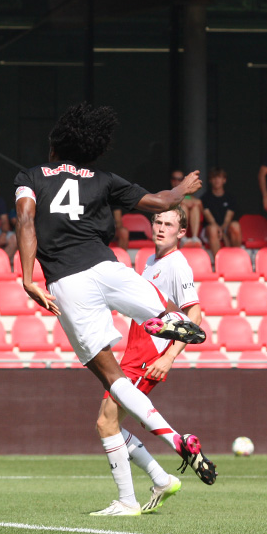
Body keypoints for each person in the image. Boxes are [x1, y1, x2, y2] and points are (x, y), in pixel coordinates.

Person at [13, 102, 216, 489]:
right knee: (168, 311)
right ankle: (162, 318)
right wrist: (182, 190)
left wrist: (27, 277)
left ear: (55, 146)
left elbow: (25, 219)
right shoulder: (103, 179)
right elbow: (160, 203)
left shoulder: (31, 176)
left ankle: (174, 438)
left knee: (113, 379)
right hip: (108, 269)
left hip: (67, 283)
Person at [91, 207, 204, 516]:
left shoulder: (177, 265)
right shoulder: (151, 260)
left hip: (149, 356)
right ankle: (160, 479)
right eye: (158, 221)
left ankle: (128, 500)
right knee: (106, 423)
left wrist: (169, 356)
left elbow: (195, 315)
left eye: (169, 224)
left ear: (181, 232)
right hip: (134, 351)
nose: (161, 228)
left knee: (106, 422)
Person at [200, 167, 242, 254]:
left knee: (235, 225)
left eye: (219, 177)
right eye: (214, 177)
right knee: (213, 229)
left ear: (224, 180)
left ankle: (236, 258)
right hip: (210, 228)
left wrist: (223, 233)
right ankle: (219, 264)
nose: (217, 180)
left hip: (225, 227)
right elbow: (210, 220)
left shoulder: (230, 198)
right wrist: (224, 236)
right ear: (210, 180)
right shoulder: (205, 198)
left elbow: (228, 220)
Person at [168, 170, 204, 245]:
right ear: (171, 181)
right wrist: (182, 202)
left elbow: (198, 203)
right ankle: (183, 238)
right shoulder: (168, 192)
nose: (177, 181)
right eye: (174, 179)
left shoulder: (187, 194)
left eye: (180, 179)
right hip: (173, 225)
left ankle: (195, 238)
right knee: (183, 206)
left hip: (190, 226)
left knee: (195, 207)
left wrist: (188, 202)